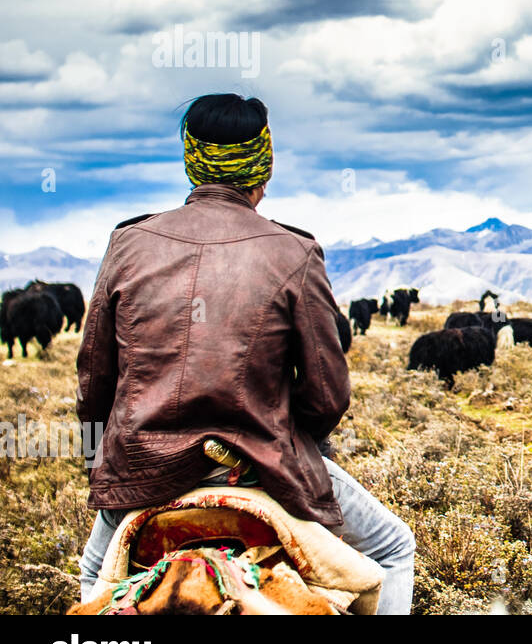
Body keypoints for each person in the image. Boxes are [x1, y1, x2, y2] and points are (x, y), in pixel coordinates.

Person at [76, 93, 415, 614]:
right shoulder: (293, 251)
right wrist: (287, 436)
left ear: (191, 158)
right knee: (393, 549)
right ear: (266, 163)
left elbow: (95, 378)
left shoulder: (128, 243)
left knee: (95, 581)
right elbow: (328, 395)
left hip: (143, 468)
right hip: (261, 465)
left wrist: (102, 456)